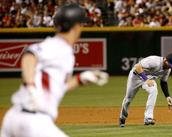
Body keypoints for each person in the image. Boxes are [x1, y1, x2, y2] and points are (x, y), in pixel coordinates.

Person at [1, 4, 108, 137]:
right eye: (81, 24)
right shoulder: (57, 46)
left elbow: (58, 87)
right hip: (34, 122)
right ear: (76, 27)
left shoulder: (64, 51)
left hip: (13, 118)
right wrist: (31, 85)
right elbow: (29, 55)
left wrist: (81, 79)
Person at [119, 54, 172, 127]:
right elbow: (137, 67)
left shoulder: (168, 70)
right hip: (135, 77)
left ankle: (148, 118)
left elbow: (163, 82)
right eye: (170, 65)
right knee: (128, 99)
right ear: (165, 60)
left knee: (154, 90)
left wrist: (168, 97)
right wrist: (146, 79)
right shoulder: (154, 61)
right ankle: (122, 118)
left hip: (148, 79)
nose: (170, 67)